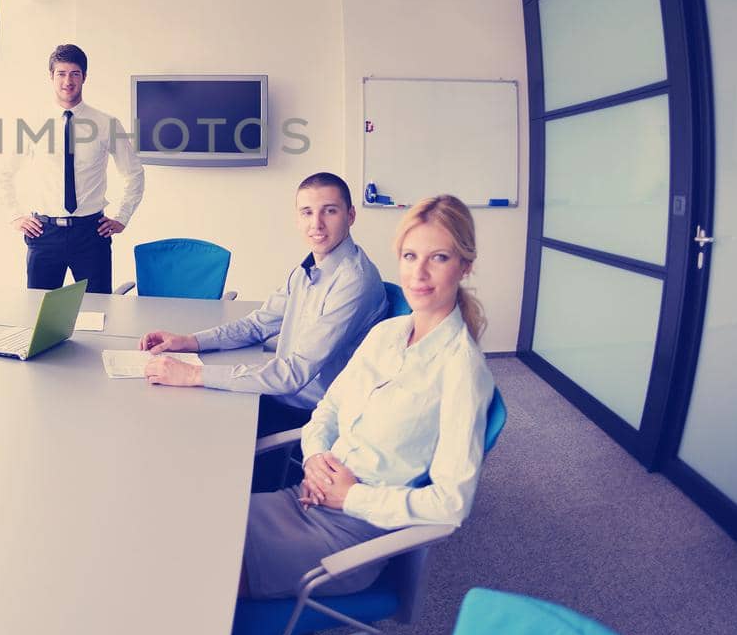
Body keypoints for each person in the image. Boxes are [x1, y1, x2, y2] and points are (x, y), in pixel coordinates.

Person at [239, 195, 495, 601]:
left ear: (465, 265)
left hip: (350, 535)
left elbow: (451, 505)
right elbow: (328, 410)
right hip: (306, 497)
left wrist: (351, 496)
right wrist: (315, 458)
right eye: (410, 256)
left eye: (440, 257)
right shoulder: (386, 335)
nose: (420, 273)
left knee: (197, 568)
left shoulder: (461, 370)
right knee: (192, 528)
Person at [138, 173, 389, 441]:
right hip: (281, 396)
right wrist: (190, 341)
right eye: (307, 212)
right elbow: (257, 325)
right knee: (179, 411)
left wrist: (191, 374)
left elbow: (294, 374)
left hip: (309, 416)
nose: (316, 223)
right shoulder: (309, 268)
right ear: (297, 219)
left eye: (330, 211)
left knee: (190, 428)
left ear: (350, 216)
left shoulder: (353, 281)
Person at [1, 43, 144, 294]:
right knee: (39, 312)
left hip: (91, 234)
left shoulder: (106, 123)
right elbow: (4, 172)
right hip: (45, 234)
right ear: (51, 76)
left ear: (84, 77)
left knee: (98, 310)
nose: (68, 81)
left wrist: (122, 217)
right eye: (61, 73)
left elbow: (133, 173)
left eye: (75, 74)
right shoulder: (32, 123)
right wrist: (15, 216)